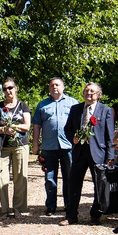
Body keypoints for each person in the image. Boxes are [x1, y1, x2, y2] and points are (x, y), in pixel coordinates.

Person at [64, 82, 116, 225]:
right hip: (79, 151)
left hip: (98, 152)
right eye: (87, 91)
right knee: (74, 183)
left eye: (92, 92)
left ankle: (95, 215)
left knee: (99, 184)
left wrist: (110, 156)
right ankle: (71, 215)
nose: (89, 94)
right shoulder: (75, 109)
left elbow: (110, 135)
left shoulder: (105, 110)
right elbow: (67, 129)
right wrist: (73, 138)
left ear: (98, 95)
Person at [30, 77, 79, 216]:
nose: (54, 87)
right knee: (50, 178)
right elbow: (37, 125)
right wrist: (35, 144)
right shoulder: (42, 105)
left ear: (63, 87)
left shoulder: (72, 103)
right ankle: (51, 206)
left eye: (57, 85)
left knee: (69, 176)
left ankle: (69, 204)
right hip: (49, 147)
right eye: (52, 85)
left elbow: (79, 123)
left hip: (68, 146)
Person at [0, 78, 31, 218]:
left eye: (10, 88)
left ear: (16, 89)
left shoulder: (23, 106)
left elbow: (27, 126)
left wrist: (13, 127)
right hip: (3, 146)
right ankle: (4, 209)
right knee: (1, 178)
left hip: (20, 146)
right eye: (4, 89)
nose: (7, 91)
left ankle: (18, 208)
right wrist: (4, 130)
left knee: (20, 177)